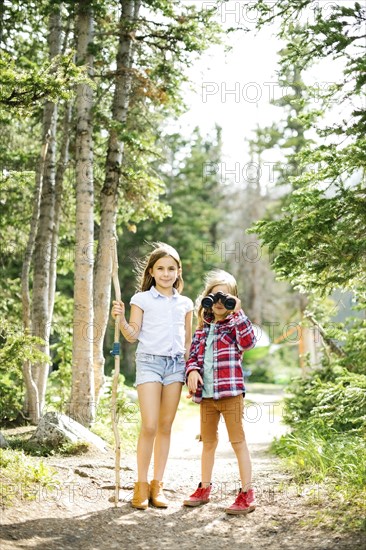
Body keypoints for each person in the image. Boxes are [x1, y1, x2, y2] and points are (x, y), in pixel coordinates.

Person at [111, 242, 193, 510]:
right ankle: (141, 485)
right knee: (149, 425)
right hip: (149, 363)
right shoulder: (141, 299)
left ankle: (158, 486)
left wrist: (192, 370)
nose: (166, 273)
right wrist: (121, 320)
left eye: (171, 268)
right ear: (152, 271)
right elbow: (132, 335)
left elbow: (189, 342)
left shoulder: (186, 303)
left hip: (176, 366)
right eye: (161, 268)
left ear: (178, 271)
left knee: (165, 426)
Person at [183, 269, 257, 515]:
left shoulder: (234, 325)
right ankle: (204, 488)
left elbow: (248, 342)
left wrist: (238, 312)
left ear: (232, 300)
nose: (218, 303)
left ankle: (247, 492)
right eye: (213, 297)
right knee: (208, 443)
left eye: (224, 298)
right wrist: (192, 371)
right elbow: (193, 357)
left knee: (237, 441)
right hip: (207, 398)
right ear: (206, 300)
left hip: (231, 394)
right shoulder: (203, 329)